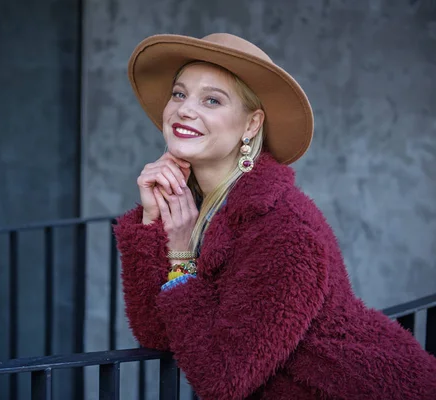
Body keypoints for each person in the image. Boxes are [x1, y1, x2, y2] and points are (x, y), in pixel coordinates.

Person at [112, 33, 436, 400]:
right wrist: (152, 224)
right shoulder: (196, 206)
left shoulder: (283, 229)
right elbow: (157, 334)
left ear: (251, 125)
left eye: (212, 100)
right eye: (180, 93)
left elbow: (223, 379)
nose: (185, 109)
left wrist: (182, 255)